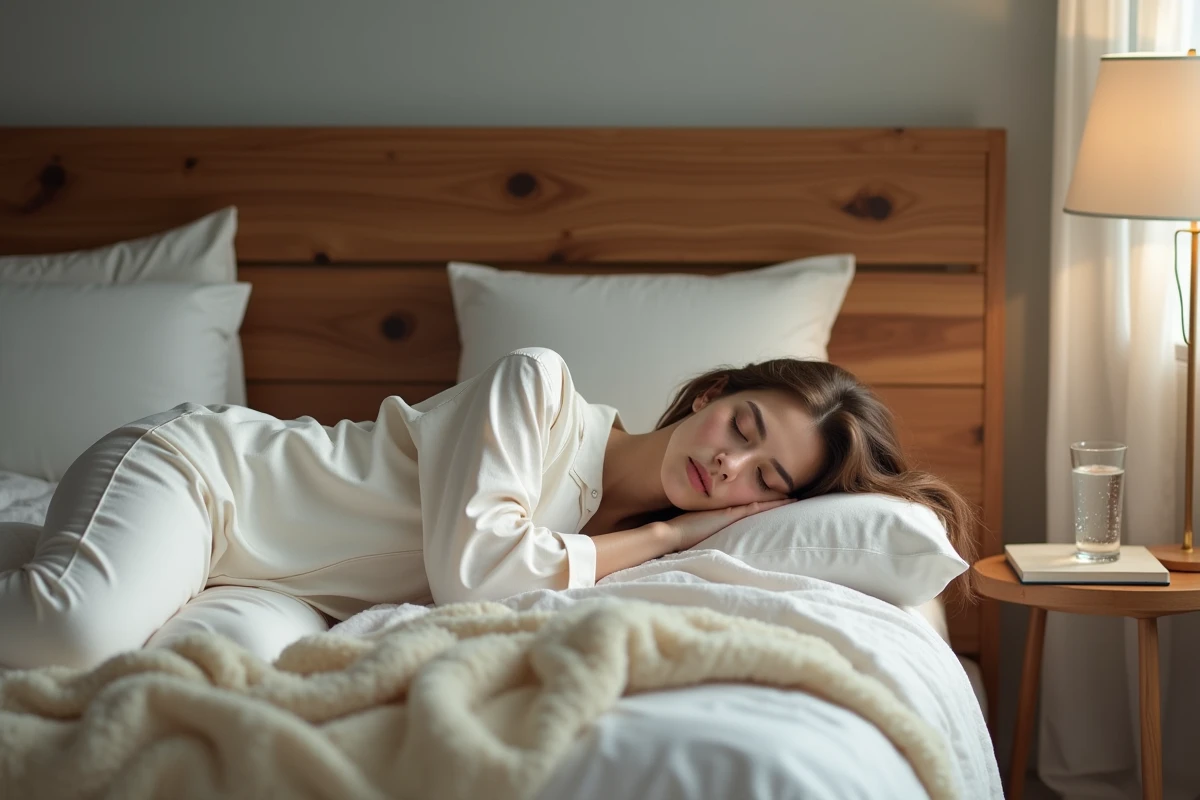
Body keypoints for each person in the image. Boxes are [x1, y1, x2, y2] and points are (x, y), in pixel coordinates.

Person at [0, 347, 975, 671]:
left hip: (290, 592)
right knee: (77, 630)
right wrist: (668, 533)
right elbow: (473, 571)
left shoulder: (607, 556)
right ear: (710, 391)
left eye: (771, 479)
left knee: (195, 681)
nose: (732, 466)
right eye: (744, 423)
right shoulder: (537, 388)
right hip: (210, 479)